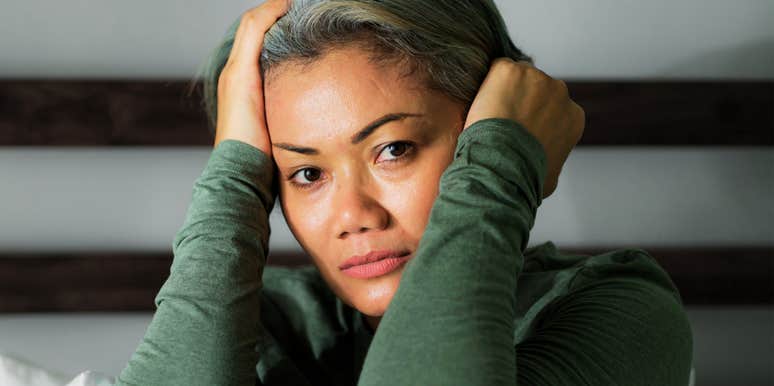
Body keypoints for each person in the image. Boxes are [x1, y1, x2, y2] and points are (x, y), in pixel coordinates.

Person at [115, 0, 694, 385]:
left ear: (486, 128)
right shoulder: (254, 320)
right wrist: (232, 172)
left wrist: (500, 165)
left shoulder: (622, 311)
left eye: (393, 149)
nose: (353, 216)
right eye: (306, 174)